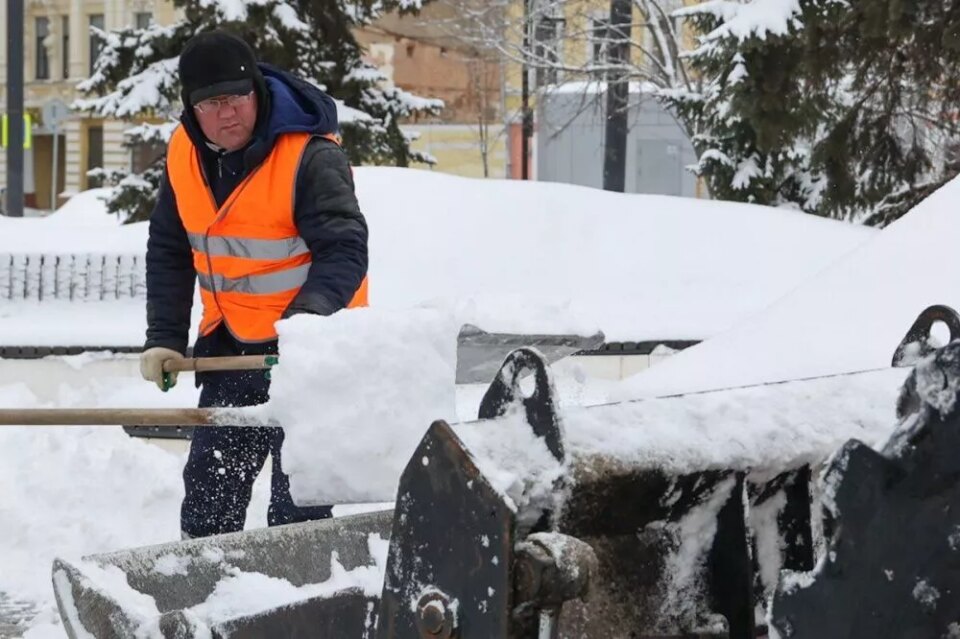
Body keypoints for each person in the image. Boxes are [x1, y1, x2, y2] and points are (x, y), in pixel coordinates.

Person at [138, 30, 369, 539]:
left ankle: (300, 608)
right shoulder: (183, 153)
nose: (228, 114)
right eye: (211, 103)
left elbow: (345, 248)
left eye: (237, 98)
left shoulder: (308, 155)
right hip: (231, 349)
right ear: (191, 110)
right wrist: (164, 337)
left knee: (298, 513)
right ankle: (205, 604)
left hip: (306, 354)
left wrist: (308, 321)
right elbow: (171, 251)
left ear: (257, 92)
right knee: (210, 502)